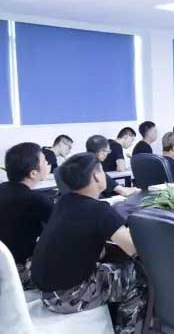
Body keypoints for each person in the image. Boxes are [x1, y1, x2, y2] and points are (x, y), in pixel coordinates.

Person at [31, 153, 146, 334]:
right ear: (96, 176)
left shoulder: (63, 201)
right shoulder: (98, 209)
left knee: (112, 266)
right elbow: (134, 249)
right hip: (68, 297)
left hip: (46, 293)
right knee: (137, 275)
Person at [0, 143, 53, 288]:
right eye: (44, 162)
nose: (48, 164)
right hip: (18, 272)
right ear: (33, 173)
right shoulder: (35, 200)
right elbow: (63, 230)